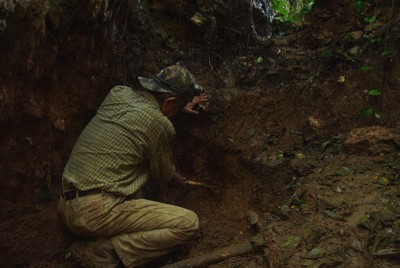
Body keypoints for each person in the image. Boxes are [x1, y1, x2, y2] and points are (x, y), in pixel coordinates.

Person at [58, 65, 206, 267]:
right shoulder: (159, 124)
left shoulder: (118, 94)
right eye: (179, 106)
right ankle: (105, 250)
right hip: (96, 213)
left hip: (67, 203)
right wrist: (178, 179)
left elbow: (147, 116)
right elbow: (163, 175)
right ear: (170, 102)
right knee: (188, 224)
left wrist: (177, 109)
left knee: (134, 170)